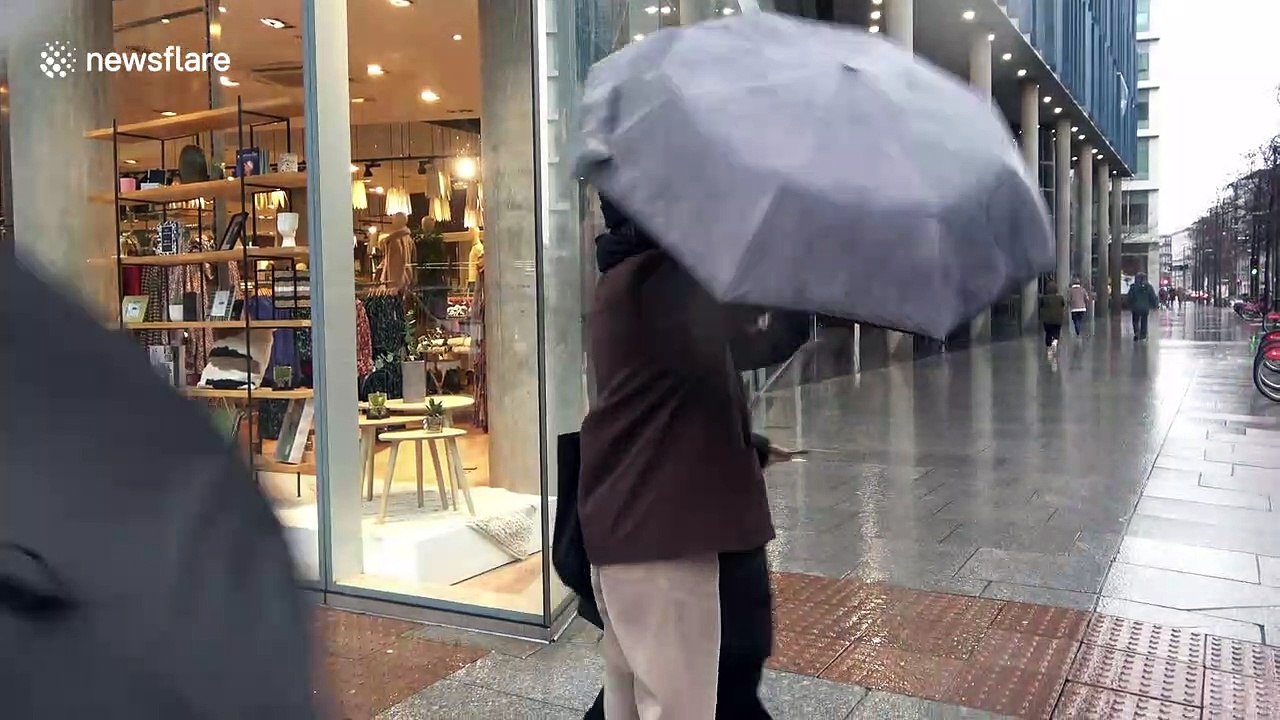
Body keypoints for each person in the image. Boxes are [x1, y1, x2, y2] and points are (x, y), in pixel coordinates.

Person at [577, 196, 806, 720]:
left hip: (648, 527)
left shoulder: (633, 277)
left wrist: (753, 448)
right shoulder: (663, 280)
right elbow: (757, 330)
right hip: (663, 538)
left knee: (640, 704)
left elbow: (696, 381)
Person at [1127, 272, 1160, 341]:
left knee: (1135, 320)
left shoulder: (1133, 287)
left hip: (1136, 307)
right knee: (1144, 321)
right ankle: (1143, 334)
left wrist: (1130, 304)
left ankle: (1136, 332)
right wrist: (1155, 305)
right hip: (1145, 307)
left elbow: (1130, 297)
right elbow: (1153, 297)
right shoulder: (1149, 287)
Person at [1039, 280, 1066, 356]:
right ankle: (1055, 342)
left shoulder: (1044, 298)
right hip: (1058, 319)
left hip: (1047, 320)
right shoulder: (1060, 297)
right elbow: (1063, 305)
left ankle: (1049, 348)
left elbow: (1040, 306)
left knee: (1048, 333)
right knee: (1056, 332)